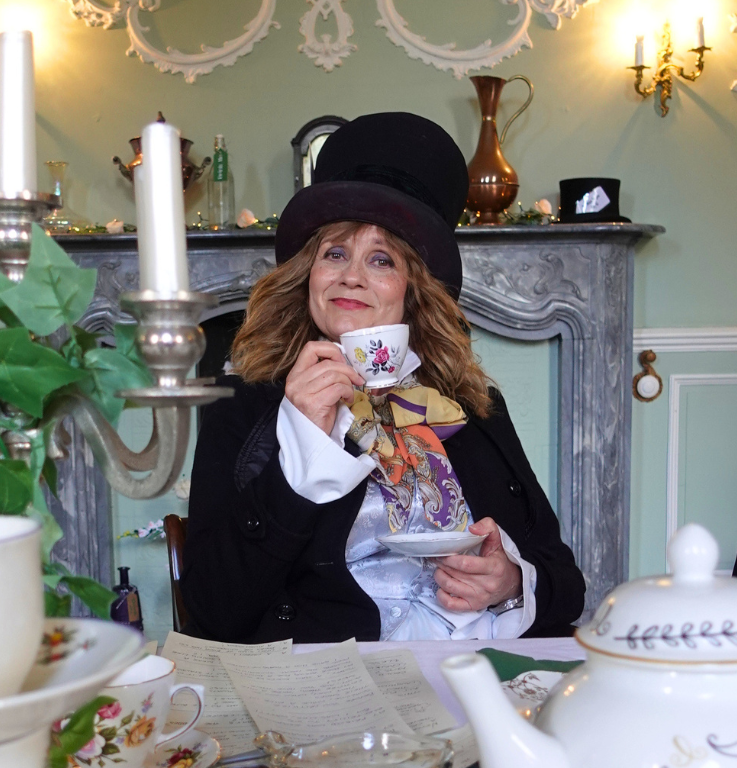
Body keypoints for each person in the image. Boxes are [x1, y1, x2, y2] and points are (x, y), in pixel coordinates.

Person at [182, 113, 586, 644]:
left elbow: (565, 582)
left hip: (477, 660)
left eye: (381, 259)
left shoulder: (472, 405)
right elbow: (215, 613)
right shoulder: (241, 406)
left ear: (410, 291)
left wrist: (509, 583)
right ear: (309, 277)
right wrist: (303, 436)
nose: (351, 275)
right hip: (339, 685)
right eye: (334, 254)